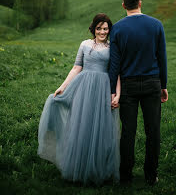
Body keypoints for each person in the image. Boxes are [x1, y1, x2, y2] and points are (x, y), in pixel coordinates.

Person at [38, 13, 120, 185]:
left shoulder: (113, 47)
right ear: (94, 28)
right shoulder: (85, 44)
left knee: (100, 128)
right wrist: (63, 86)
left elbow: (117, 73)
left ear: (109, 30)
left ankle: (99, 169)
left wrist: (117, 94)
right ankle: (77, 166)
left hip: (103, 88)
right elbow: (76, 67)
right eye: (99, 28)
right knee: (82, 124)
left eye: (105, 29)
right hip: (84, 87)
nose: (102, 32)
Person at [109, 0, 168, 186]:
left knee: (128, 131)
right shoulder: (156, 25)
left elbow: (114, 64)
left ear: (124, 5)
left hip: (128, 86)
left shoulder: (117, 29)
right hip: (152, 82)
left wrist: (113, 91)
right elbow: (162, 58)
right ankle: (151, 176)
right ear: (140, 3)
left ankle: (125, 177)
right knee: (153, 131)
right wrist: (164, 85)